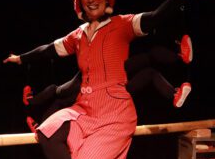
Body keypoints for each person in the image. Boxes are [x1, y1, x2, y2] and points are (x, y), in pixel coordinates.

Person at [4, 0, 215, 159]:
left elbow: (155, 17)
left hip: (114, 110)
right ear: (79, 2)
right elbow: (48, 49)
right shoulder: (78, 35)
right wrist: (20, 59)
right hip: (84, 107)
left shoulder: (122, 25)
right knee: (47, 132)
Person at [24, 36, 193, 132]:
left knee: (149, 68)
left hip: (113, 82)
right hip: (107, 89)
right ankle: (36, 113)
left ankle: (174, 90)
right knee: (58, 94)